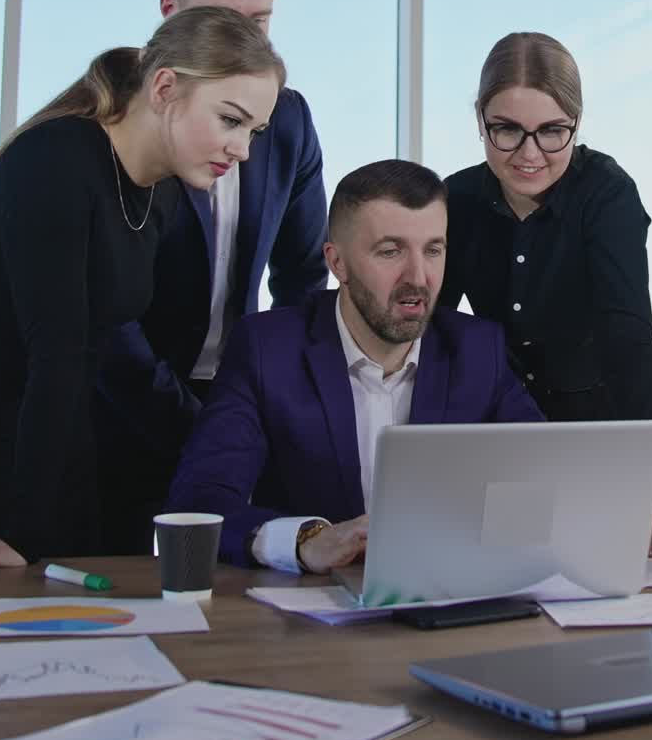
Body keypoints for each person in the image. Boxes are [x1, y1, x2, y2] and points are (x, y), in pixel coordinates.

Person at [0, 7, 284, 567]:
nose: (243, 150)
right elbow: (57, 356)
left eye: (253, 131)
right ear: (164, 87)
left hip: (68, 466)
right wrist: (27, 535)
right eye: (230, 120)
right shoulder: (55, 159)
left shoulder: (167, 192)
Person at [166, 159, 544, 573]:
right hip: (312, 616)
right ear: (337, 262)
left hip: (445, 601)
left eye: (433, 250)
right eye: (390, 251)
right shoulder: (266, 349)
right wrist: (306, 540)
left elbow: (547, 479)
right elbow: (200, 500)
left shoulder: (476, 349)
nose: (418, 277)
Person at [95, 0, 328, 553]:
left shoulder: (288, 120)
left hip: (235, 397)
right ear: (170, 14)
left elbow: (303, 278)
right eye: (226, 18)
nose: (245, 41)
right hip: (119, 406)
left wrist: (278, 404)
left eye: (260, 22)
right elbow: (108, 317)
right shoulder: (120, 125)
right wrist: (193, 424)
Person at [438, 32, 652, 559]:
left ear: (577, 123)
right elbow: (433, 333)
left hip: (593, 433)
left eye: (552, 131)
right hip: (500, 434)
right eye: (506, 130)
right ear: (480, 120)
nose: (529, 154)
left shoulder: (607, 193)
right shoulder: (456, 199)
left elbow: (630, 342)